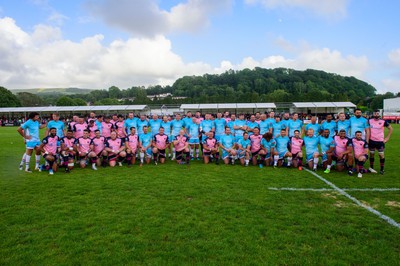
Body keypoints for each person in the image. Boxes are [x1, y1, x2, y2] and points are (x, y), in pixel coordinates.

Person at [368, 110, 393, 175]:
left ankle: (382, 169)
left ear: (379, 114)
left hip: (380, 141)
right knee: (372, 154)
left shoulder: (383, 121)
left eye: (377, 113)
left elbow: (391, 129)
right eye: (375, 113)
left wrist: (387, 138)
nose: (376, 115)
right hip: (372, 141)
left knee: (381, 155)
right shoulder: (369, 121)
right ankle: (371, 168)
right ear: (373, 114)